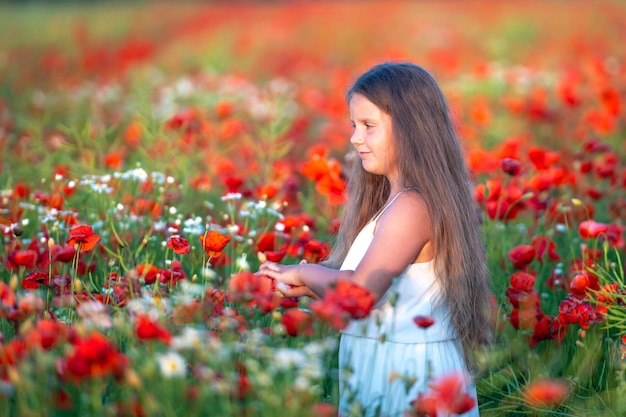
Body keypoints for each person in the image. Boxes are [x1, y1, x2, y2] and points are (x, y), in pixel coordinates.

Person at [257, 62, 492, 417]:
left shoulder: (412, 207)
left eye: (369, 126)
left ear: (414, 130)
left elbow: (361, 295)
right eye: (354, 125)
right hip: (393, 361)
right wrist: (311, 286)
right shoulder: (400, 202)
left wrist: (305, 273)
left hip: (409, 376)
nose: (355, 137)